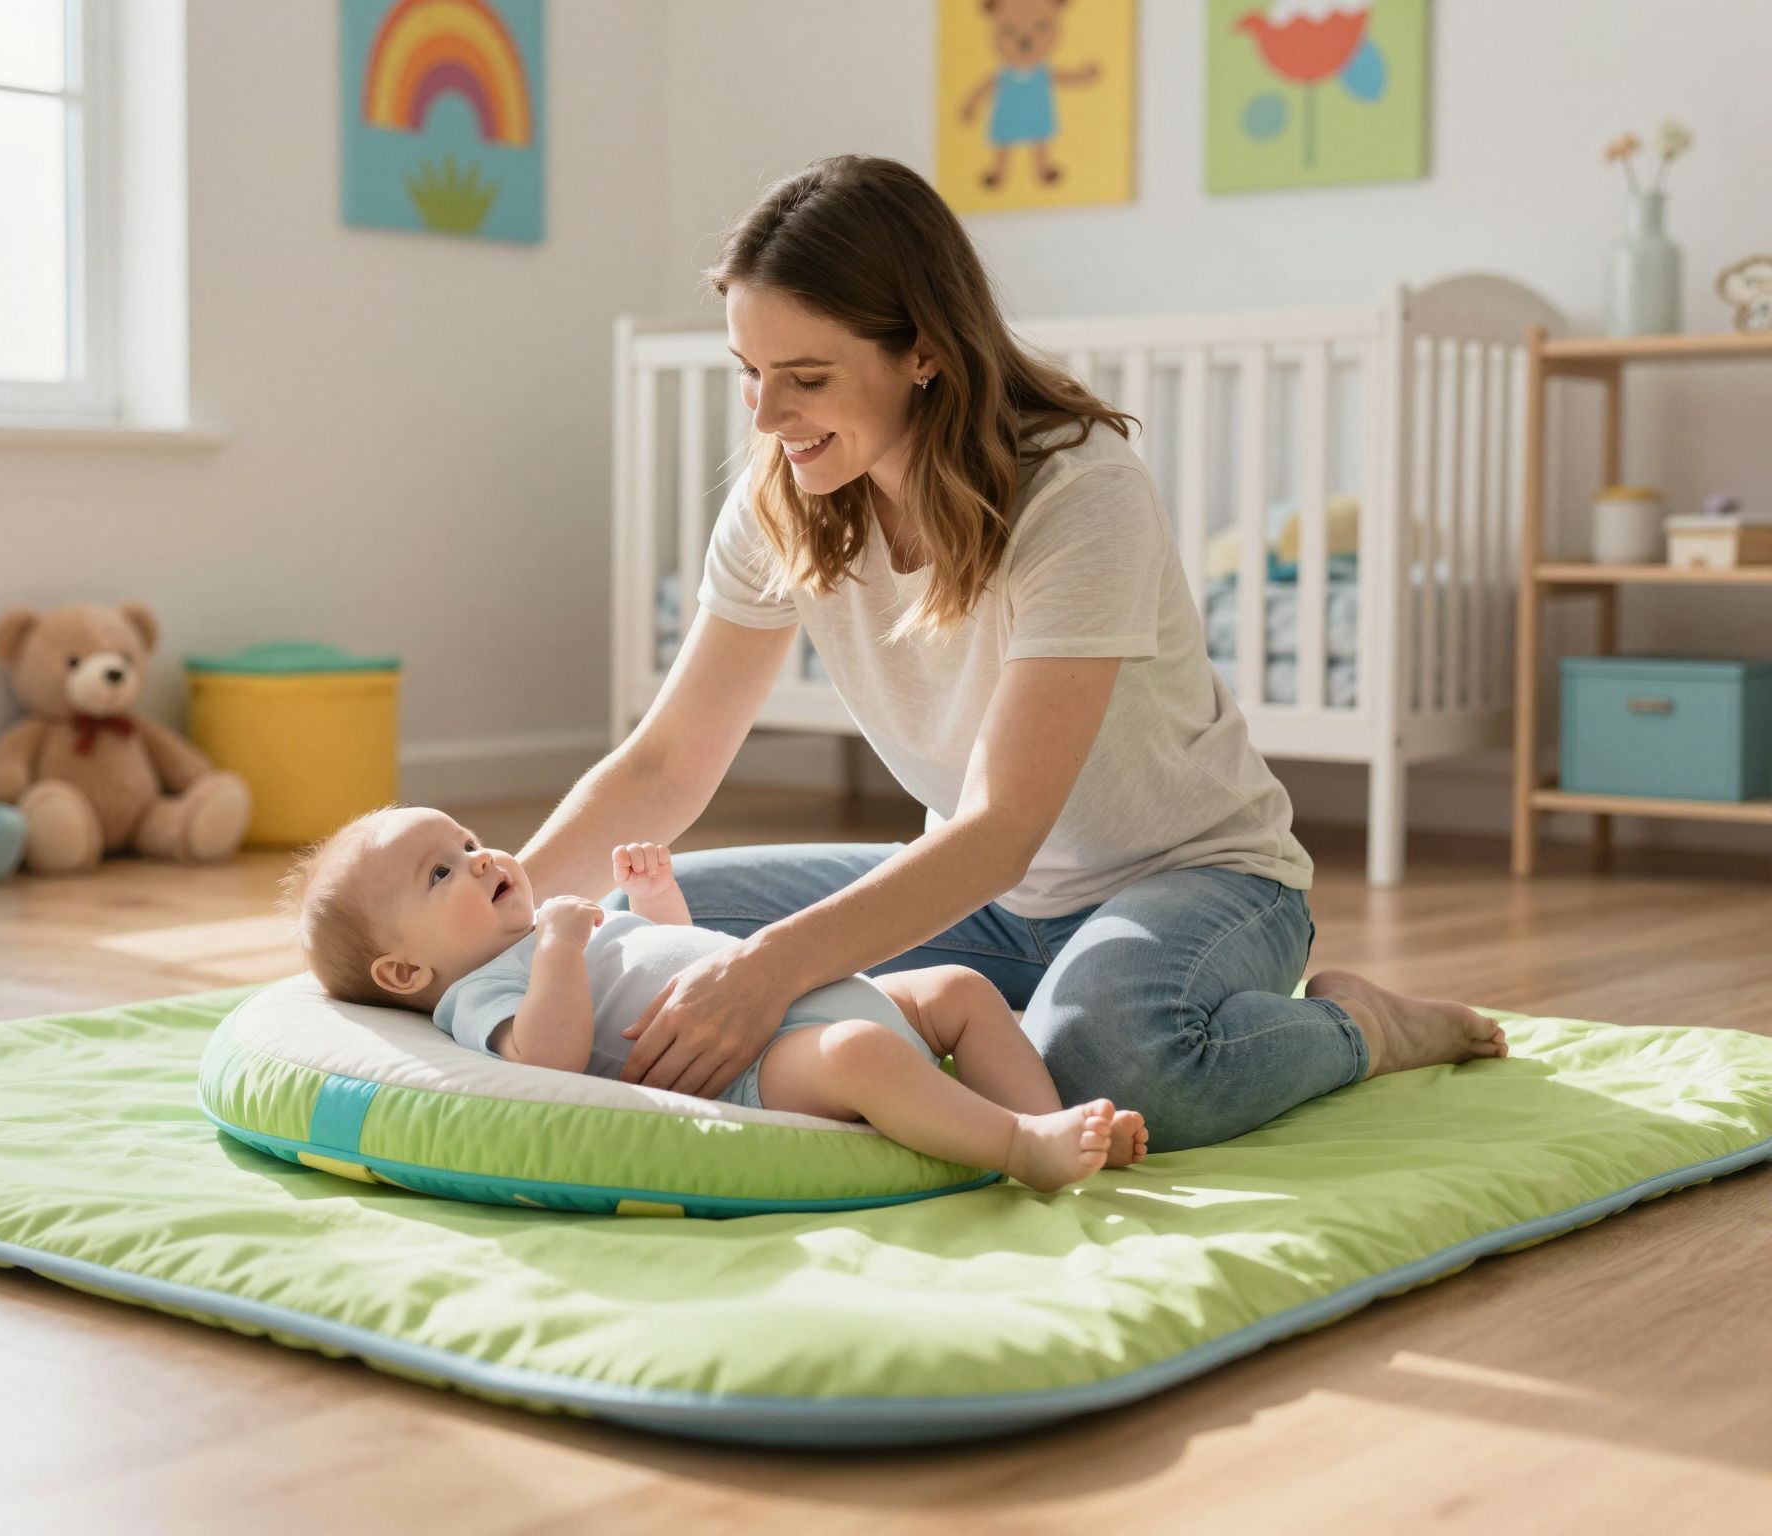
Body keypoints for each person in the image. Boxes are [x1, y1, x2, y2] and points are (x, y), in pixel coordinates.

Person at [518, 154, 1506, 1153]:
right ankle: (1002, 1006)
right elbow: (664, 763)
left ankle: (1358, 1030)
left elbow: (1001, 827)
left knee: (1107, 1062)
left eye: (805, 378)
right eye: (750, 376)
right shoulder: (782, 499)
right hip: (986, 902)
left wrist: (771, 970)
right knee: (613, 932)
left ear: (923, 353)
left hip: (1194, 878)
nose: (769, 421)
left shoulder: (1076, 489)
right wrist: (493, 912)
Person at [281, 805, 1148, 1191]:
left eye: (468, 840)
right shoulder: (482, 991)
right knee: (861, 1057)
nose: (481, 858)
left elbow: (682, 954)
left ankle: (1057, 1122)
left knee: (958, 987)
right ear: (403, 972)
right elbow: (544, 1058)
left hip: (801, 993)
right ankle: (1017, 1147)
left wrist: (655, 903)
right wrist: (559, 949)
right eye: (443, 872)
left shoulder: (547, 926)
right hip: (755, 1065)